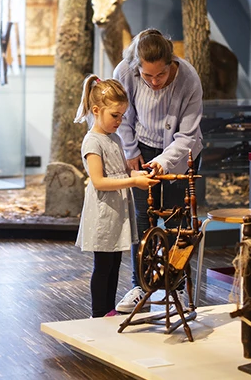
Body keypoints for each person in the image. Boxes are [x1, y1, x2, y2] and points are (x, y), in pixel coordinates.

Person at [112, 28, 204, 313]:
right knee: (143, 218)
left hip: (180, 152)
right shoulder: (125, 71)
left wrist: (164, 162)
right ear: (136, 67)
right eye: (147, 75)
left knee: (177, 220)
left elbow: (187, 135)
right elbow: (123, 116)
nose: (154, 82)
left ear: (171, 63)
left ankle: (176, 287)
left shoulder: (188, 78)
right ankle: (141, 286)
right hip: (141, 149)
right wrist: (131, 151)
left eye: (160, 75)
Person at [74, 75, 159, 318]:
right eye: (115, 115)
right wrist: (132, 181)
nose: (119, 121)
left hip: (117, 212)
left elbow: (121, 171)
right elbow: (99, 181)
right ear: (96, 110)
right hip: (103, 213)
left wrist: (137, 174)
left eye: (122, 115)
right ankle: (99, 313)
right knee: (103, 265)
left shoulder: (115, 138)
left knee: (114, 264)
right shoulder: (92, 141)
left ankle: (108, 310)